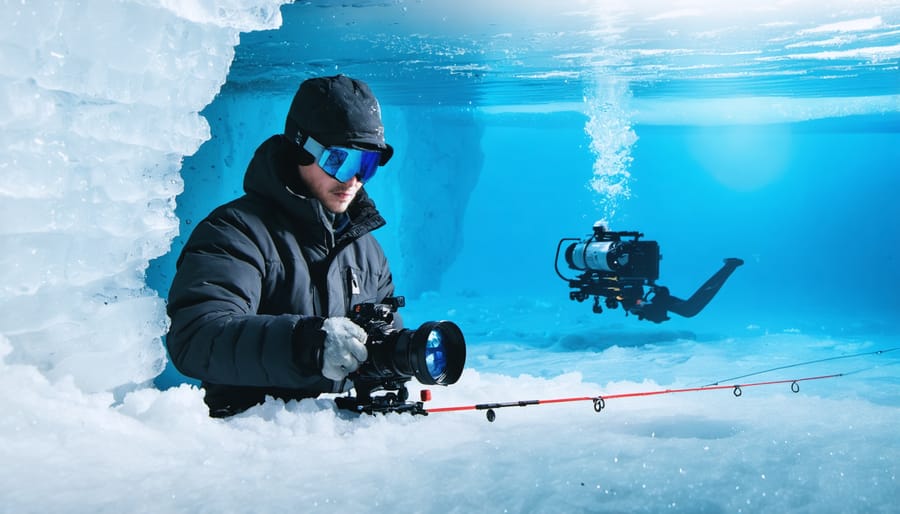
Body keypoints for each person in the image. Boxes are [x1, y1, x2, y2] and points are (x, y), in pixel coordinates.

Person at [165, 75, 398, 417]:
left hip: (344, 444)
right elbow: (196, 337)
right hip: (253, 438)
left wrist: (398, 356)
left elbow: (387, 339)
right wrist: (308, 345)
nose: (353, 180)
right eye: (340, 161)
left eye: (367, 165)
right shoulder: (235, 232)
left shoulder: (367, 250)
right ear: (301, 148)